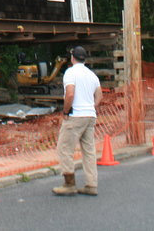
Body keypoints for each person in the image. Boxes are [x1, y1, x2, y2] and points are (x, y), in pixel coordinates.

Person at [53, 45, 102, 196]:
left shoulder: (70, 73)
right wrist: (90, 106)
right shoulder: (92, 75)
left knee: (64, 148)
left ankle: (69, 184)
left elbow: (70, 94)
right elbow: (99, 95)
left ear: (72, 58)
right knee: (89, 151)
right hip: (90, 115)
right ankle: (91, 184)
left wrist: (66, 111)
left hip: (76, 116)